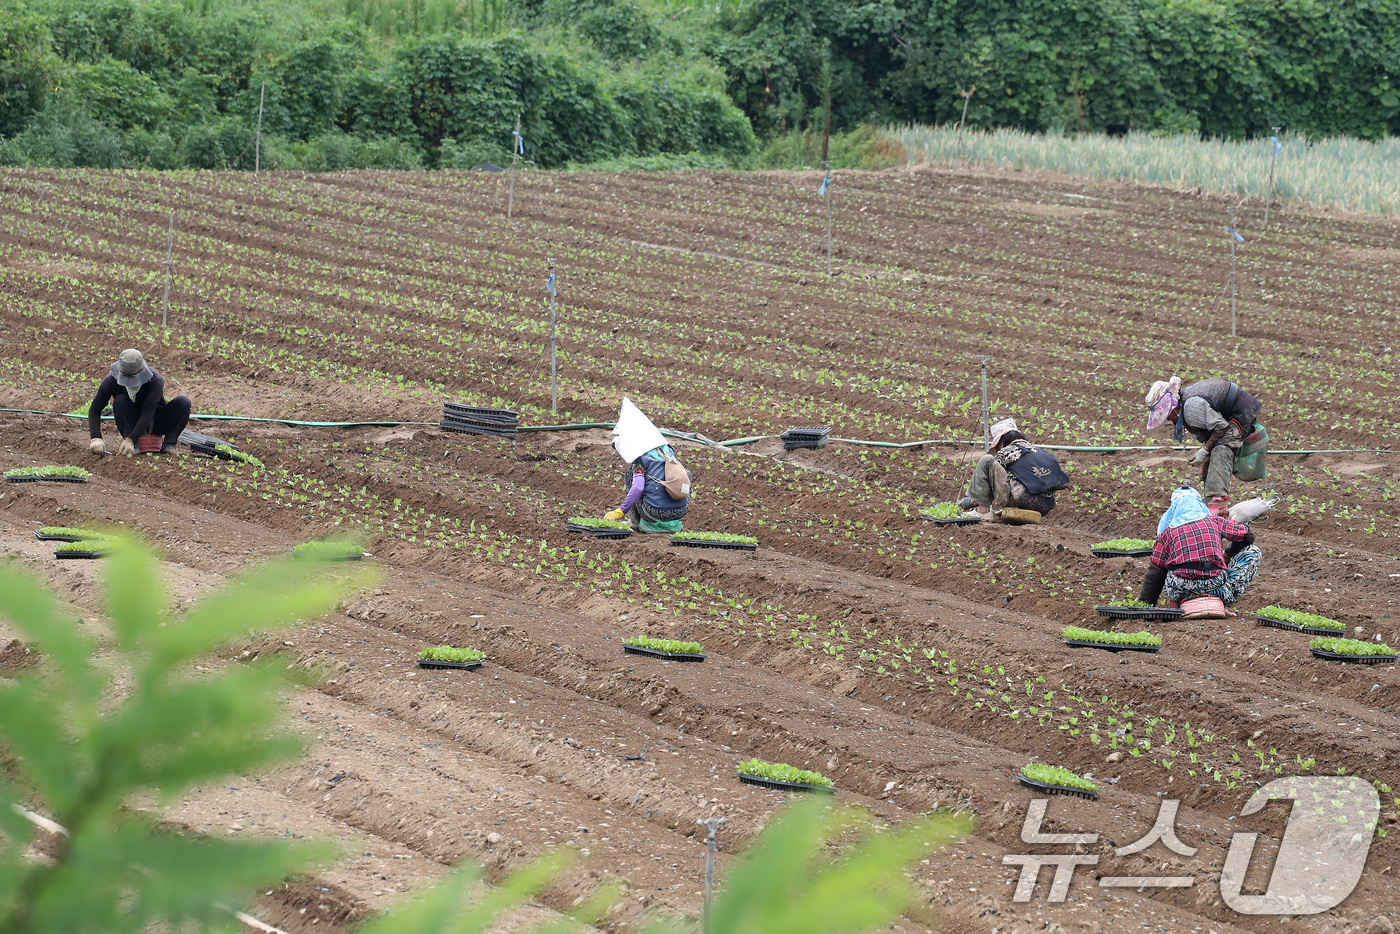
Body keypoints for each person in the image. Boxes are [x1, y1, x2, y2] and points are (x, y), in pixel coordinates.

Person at [1146, 376, 1262, 513]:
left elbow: (1221, 427)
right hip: (1224, 416)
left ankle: (1217, 506)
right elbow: (1211, 434)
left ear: (1172, 407)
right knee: (1214, 451)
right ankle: (1209, 506)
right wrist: (1206, 464)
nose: (1166, 419)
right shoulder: (1185, 404)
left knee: (1222, 448)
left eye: (1166, 414)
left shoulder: (1191, 407)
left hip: (1241, 412)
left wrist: (1205, 450)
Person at [1139, 486, 1261, 613]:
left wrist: (1146, 606)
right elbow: (1247, 535)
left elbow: (1155, 573)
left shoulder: (1167, 533)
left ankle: (1176, 605)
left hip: (1181, 591)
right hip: (1216, 587)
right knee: (1253, 551)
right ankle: (1222, 600)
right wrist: (1229, 554)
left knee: (1166, 562)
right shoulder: (1214, 521)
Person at [604, 398, 692, 533]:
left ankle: (635, 522)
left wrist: (620, 511)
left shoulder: (642, 458)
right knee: (685, 473)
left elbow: (638, 487)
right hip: (680, 511)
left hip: (653, 512)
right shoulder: (667, 450)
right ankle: (673, 523)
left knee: (630, 475)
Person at [962, 418, 1069, 522]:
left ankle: (983, 512)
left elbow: (991, 480)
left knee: (987, 460)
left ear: (1001, 442)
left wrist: (973, 501)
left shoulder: (1007, 451)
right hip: (1046, 505)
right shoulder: (1039, 452)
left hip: (1024, 501)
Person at [87, 349, 191, 456]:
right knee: (120, 400)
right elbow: (95, 409)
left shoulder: (155, 380)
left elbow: (148, 412)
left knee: (183, 402)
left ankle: (169, 444)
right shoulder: (111, 381)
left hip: (155, 420)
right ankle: (134, 447)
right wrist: (96, 437)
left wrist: (130, 439)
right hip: (131, 421)